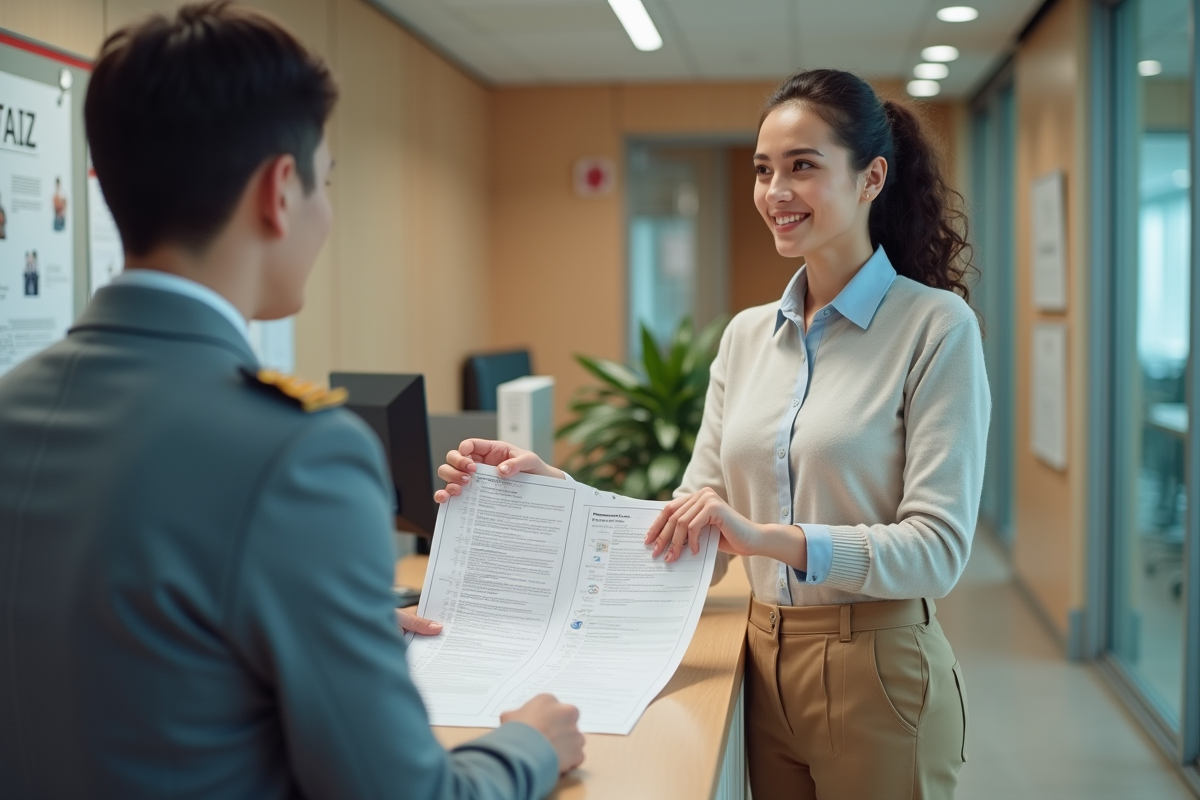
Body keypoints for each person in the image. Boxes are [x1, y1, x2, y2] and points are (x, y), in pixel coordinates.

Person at [0, 4, 582, 800]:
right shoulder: (301, 453)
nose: (326, 212)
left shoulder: (15, 404)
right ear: (280, 190)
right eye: (327, 181)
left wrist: (330, 627)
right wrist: (529, 746)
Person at [437, 69, 988, 800]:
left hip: (880, 668)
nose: (775, 192)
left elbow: (938, 551)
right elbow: (695, 520)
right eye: (763, 170)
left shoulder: (935, 328)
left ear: (870, 178)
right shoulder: (747, 336)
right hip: (757, 663)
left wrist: (769, 538)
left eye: (803, 167)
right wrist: (555, 494)